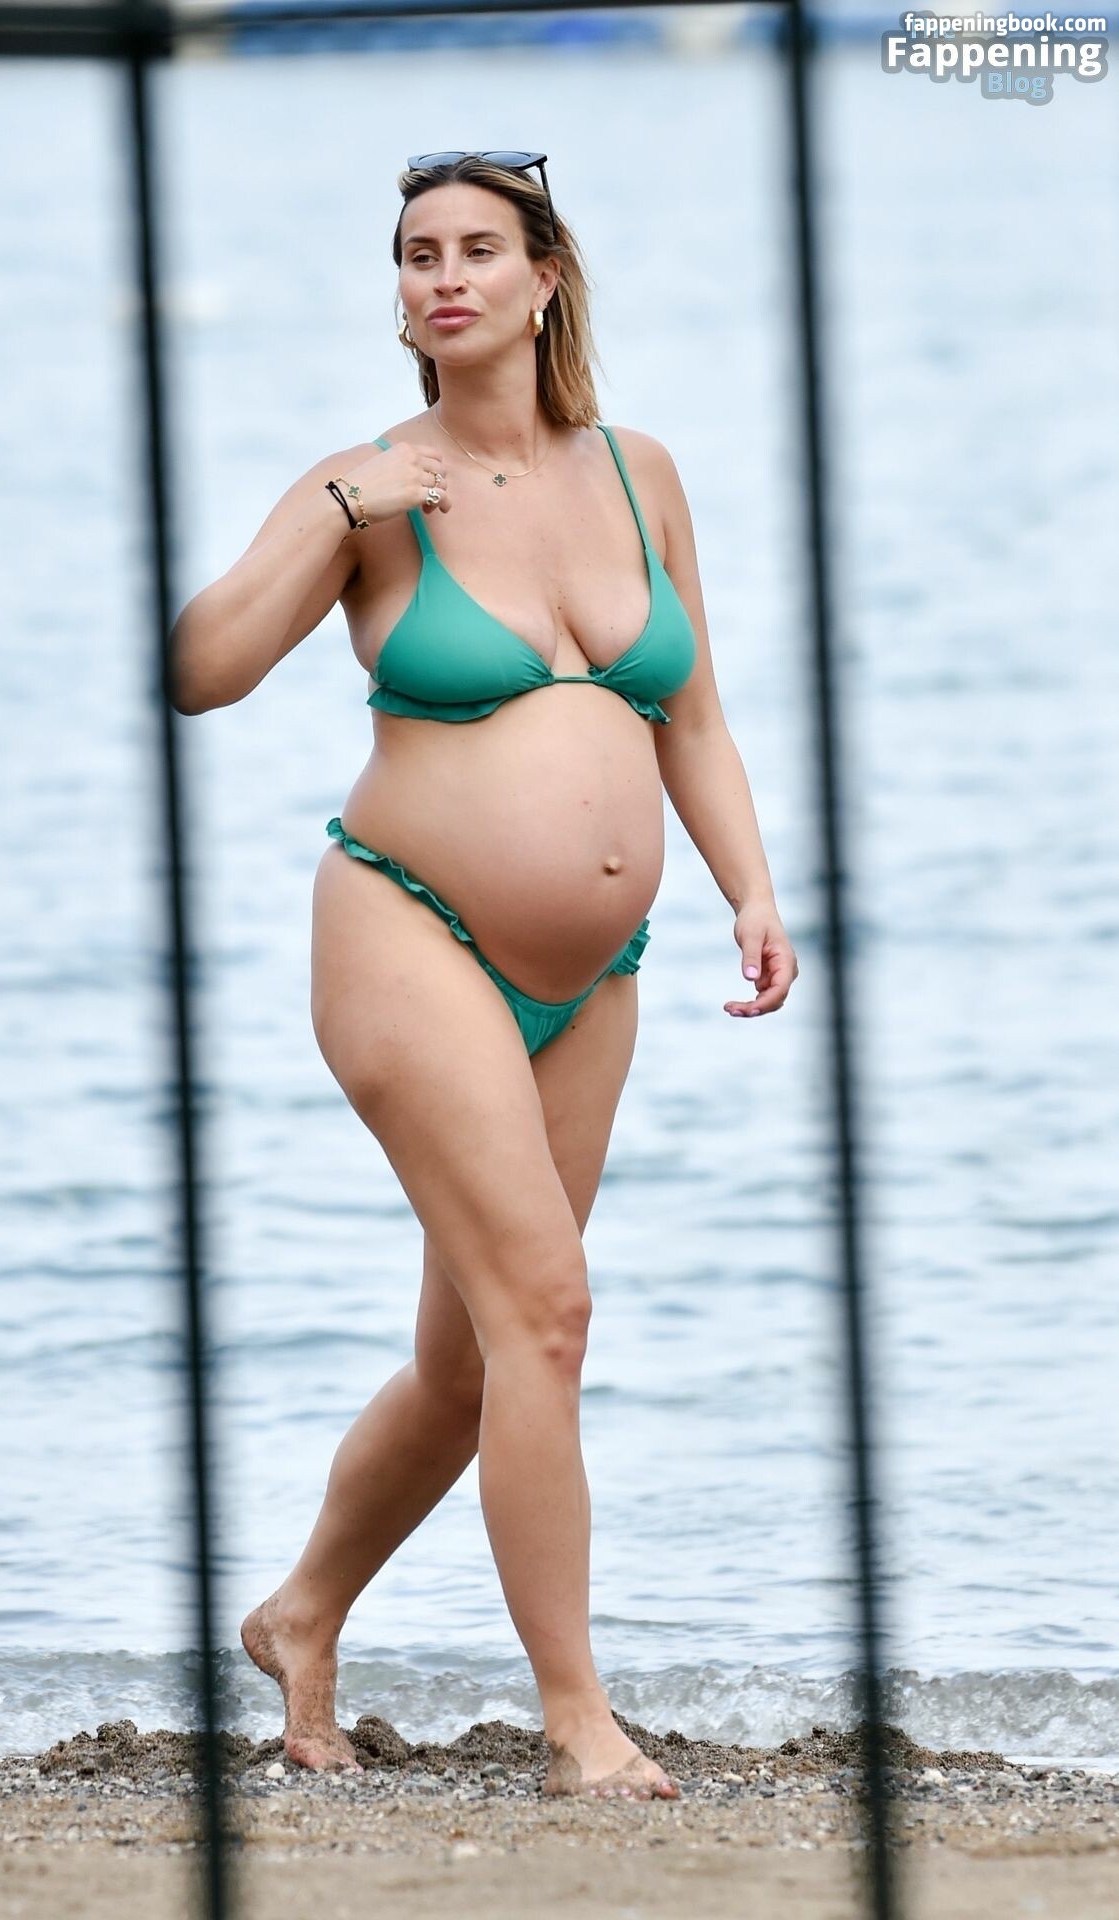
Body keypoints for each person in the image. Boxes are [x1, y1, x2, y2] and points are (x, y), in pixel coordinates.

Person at [169, 151, 798, 1802]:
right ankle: (578, 1720)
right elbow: (200, 671)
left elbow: (694, 715)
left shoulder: (641, 475)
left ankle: (301, 1613)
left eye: (475, 249)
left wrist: (748, 887)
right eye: (416, 254)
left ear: (544, 280)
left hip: (596, 979)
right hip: (407, 930)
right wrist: (337, 516)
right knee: (549, 1312)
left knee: (473, 1364)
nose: (443, 276)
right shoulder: (372, 484)